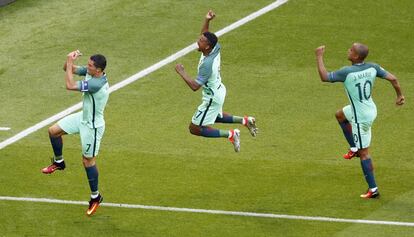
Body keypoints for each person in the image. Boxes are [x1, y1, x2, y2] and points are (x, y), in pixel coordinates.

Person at [315, 43, 405, 198]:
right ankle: (354, 148)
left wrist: (319, 56)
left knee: (365, 154)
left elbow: (324, 77)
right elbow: (394, 79)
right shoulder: (373, 67)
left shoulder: (346, 72)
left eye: (350, 50)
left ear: (355, 56)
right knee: (340, 115)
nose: (348, 50)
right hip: (369, 108)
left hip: (360, 118)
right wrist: (400, 95)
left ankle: (373, 189)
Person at [175, 10, 258, 152]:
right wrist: (207, 20)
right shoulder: (214, 48)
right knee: (214, 116)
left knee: (194, 128)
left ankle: (231, 134)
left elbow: (195, 86)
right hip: (218, 90)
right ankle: (245, 121)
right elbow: (206, 35)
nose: (198, 41)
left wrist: (182, 72)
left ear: (207, 47)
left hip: (212, 97)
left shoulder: (207, 65)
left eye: (200, 41)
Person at [41, 50, 109, 215]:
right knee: (53, 131)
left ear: (98, 70)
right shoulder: (91, 73)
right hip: (82, 117)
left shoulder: (96, 84)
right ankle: (59, 162)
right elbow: (68, 69)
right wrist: (69, 60)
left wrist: (69, 62)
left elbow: (69, 85)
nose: (87, 66)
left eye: (90, 65)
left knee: (87, 161)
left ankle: (95, 196)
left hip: (92, 126)